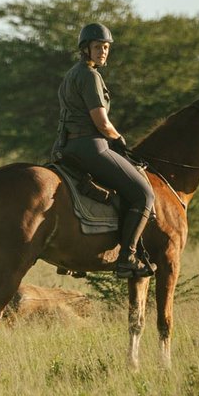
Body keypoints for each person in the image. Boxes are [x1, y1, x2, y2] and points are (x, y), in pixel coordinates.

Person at [53, 23, 156, 277]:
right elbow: (101, 122)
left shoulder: (70, 75)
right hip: (91, 147)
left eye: (106, 47)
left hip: (65, 148)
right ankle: (127, 257)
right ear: (85, 49)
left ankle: (75, 255)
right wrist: (119, 139)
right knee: (144, 195)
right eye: (98, 47)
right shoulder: (90, 76)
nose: (103, 51)